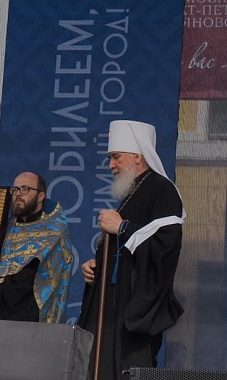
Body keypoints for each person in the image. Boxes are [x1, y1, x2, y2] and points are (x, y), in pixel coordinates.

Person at [79, 120, 184, 380]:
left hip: (131, 315)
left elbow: (166, 246)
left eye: (116, 157)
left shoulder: (161, 189)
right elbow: (123, 251)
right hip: (111, 311)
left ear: (137, 156)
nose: (111, 165)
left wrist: (123, 227)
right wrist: (97, 267)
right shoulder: (135, 192)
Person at [0, 171, 73, 323]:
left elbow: (31, 277)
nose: (18, 194)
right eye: (15, 189)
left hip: (23, 318)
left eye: (25, 189)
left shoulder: (53, 232)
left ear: (41, 196)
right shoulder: (2, 228)